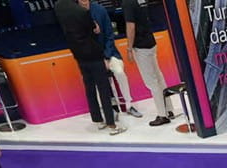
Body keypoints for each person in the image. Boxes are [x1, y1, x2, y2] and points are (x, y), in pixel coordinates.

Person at [54, 0, 123, 133]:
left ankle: (97, 120)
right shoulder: (82, 12)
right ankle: (111, 125)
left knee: (90, 88)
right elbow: (96, 29)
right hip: (94, 55)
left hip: (79, 55)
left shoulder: (59, 7)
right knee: (103, 89)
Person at [86, 0, 139, 122]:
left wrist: (106, 56)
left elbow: (110, 35)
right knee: (97, 80)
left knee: (119, 72)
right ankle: (109, 109)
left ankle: (129, 104)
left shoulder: (100, 10)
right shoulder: (77, 14)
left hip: (110, 53)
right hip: (93, 58)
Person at [124, 0, 172, 126]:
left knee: (151, 81)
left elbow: (131, 26)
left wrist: (129, 48)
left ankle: (162, 115)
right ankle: (169, 109)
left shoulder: (127, 3)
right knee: (158, 76)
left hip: (141, 46)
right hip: (150, 41)